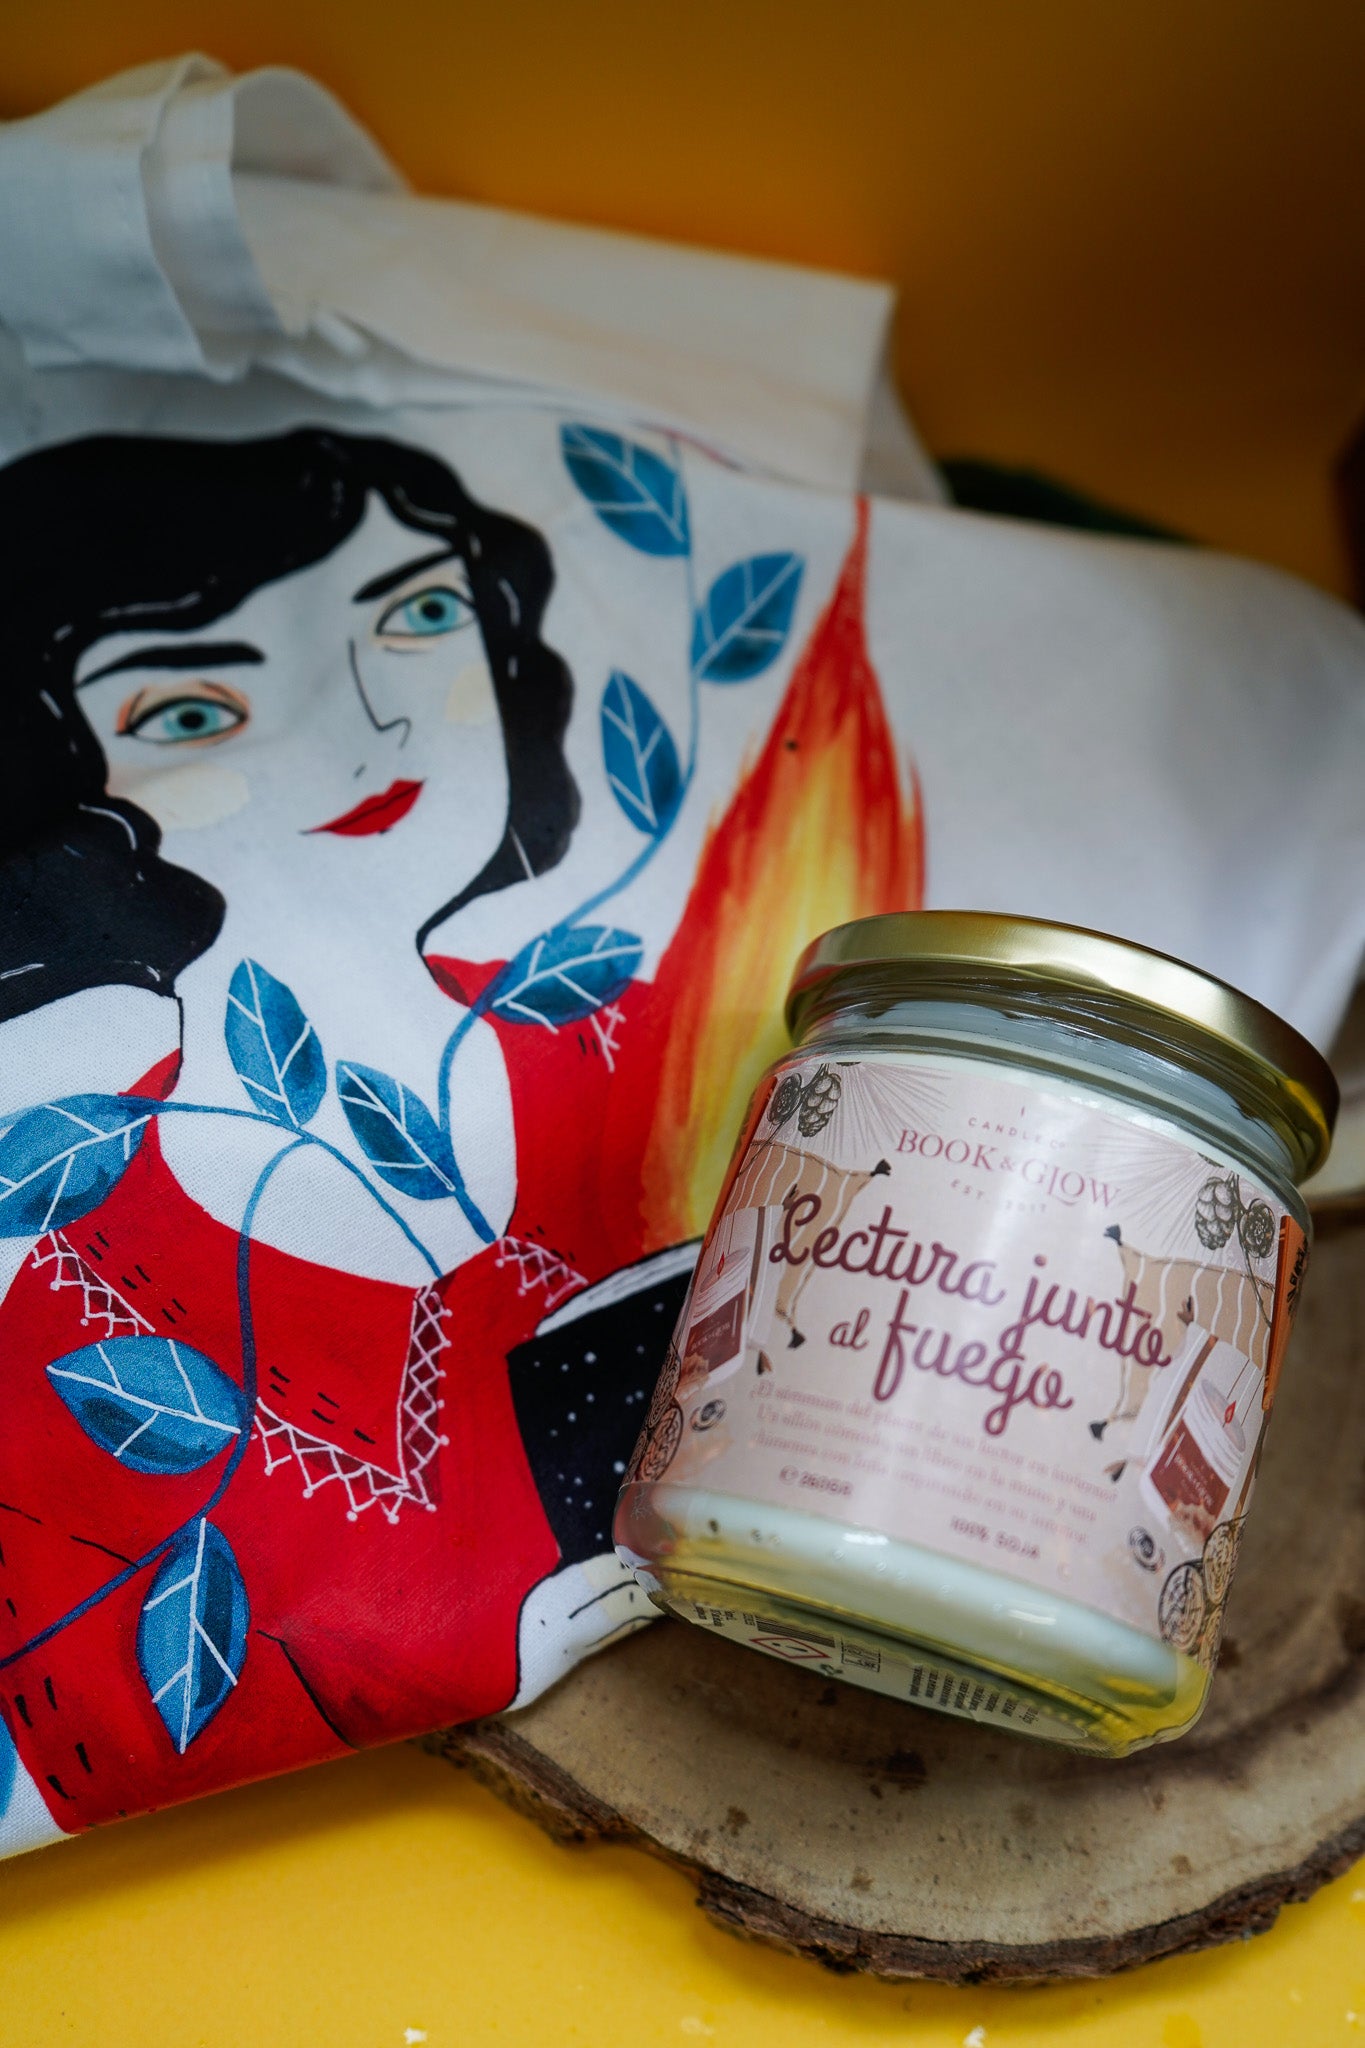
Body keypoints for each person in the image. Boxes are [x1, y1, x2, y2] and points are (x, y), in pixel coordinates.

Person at [0, 429, 657, 1845]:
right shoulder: (71, 1329)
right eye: (189, 708)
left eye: (416, 617)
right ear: (73, 804)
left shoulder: (661, 1037)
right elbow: (96, 1741)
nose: (378, 729)